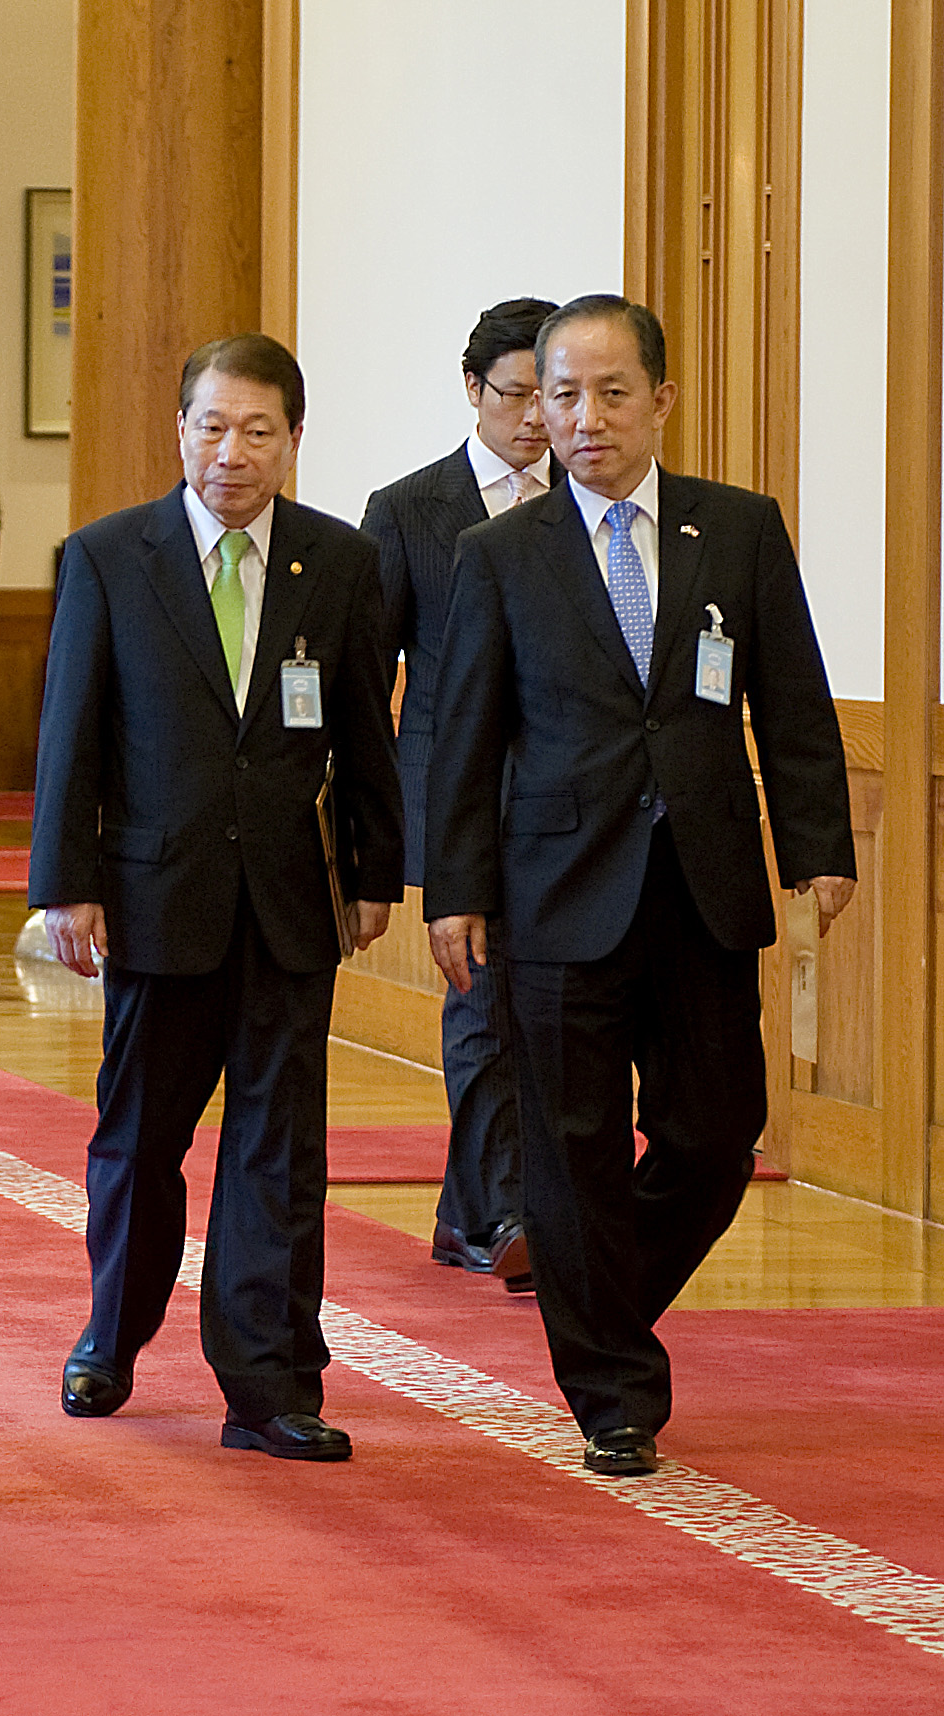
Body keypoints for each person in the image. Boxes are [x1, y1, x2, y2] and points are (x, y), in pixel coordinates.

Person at [424, 294, 854, 1478]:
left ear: (662, 399)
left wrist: (818, 839)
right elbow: (462, 734)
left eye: (612, 392)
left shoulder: (740, 530)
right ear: (536, 409)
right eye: (561, 394)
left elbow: (796, 698)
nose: (585, 416)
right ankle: (611, 1391)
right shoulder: (498, 554)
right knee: (568, 1151)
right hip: (554, 893)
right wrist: (453, 890)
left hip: (702, 885)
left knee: (718, 1136)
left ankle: (601, 1309)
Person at [31, 333, 401, 1462]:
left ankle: (271, 1381)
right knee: (140, 1140)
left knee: (277, 1149)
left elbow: (361, 738)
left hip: (289, 902)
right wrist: (67, 885)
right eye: (210, 425)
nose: (229, 452)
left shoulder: (337, 565)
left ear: (294, 441)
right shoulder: (108, 555)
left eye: (256, 431)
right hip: (153, 897)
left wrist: (376, 873)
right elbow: (71, 735)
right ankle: (114, 1328)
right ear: (177, 428)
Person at [360, 297, 557, 1295]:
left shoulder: (593, 501)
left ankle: (462, 1210)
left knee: (543, 1006)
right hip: (452, 796)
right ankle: (501, 1212)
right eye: (516, 393)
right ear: (472, 388)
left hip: (571, 804)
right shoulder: (409, 510)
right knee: (482, 1004)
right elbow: (368, 676)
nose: (535, 418)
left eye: (548, 395)